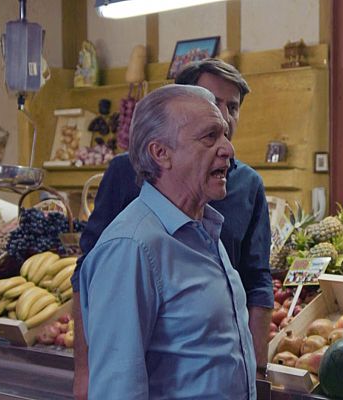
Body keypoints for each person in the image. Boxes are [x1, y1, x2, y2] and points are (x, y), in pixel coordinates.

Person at [72, 59, 273, 399]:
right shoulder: (131, 248)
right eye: (210, 137)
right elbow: (118, 389)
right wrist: (82, 371)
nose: (228, 149)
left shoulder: (205, 231)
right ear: (160, 153)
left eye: (225, 132)